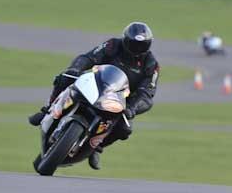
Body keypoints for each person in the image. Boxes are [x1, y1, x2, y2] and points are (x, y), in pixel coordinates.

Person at [28, 22, 160, 170]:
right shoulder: (113, 45)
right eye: (133, 44)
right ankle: (47, 110)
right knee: (64, 78)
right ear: (125, 40)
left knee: (124, 129)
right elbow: (89, 57)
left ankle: (97, 147)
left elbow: (147, 92)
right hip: (96, 83)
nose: (136, 49)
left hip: (118, 98)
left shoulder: (151, 64)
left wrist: (132, 108)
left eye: (141, 46)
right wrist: (75, 68)